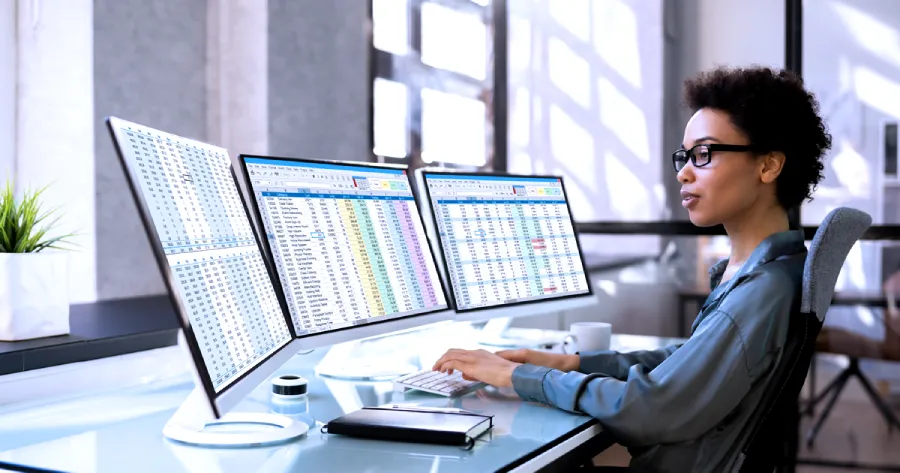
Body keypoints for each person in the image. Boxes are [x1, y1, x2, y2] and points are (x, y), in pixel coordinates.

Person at [432, 65, 832, 472]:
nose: (684, 171)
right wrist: (571, 363)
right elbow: (688, 361)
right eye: (685, 155)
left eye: (704, 154)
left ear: (768, 167)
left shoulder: (759, 292)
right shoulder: (772, 271)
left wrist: (521, 377)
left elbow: (652, 409)